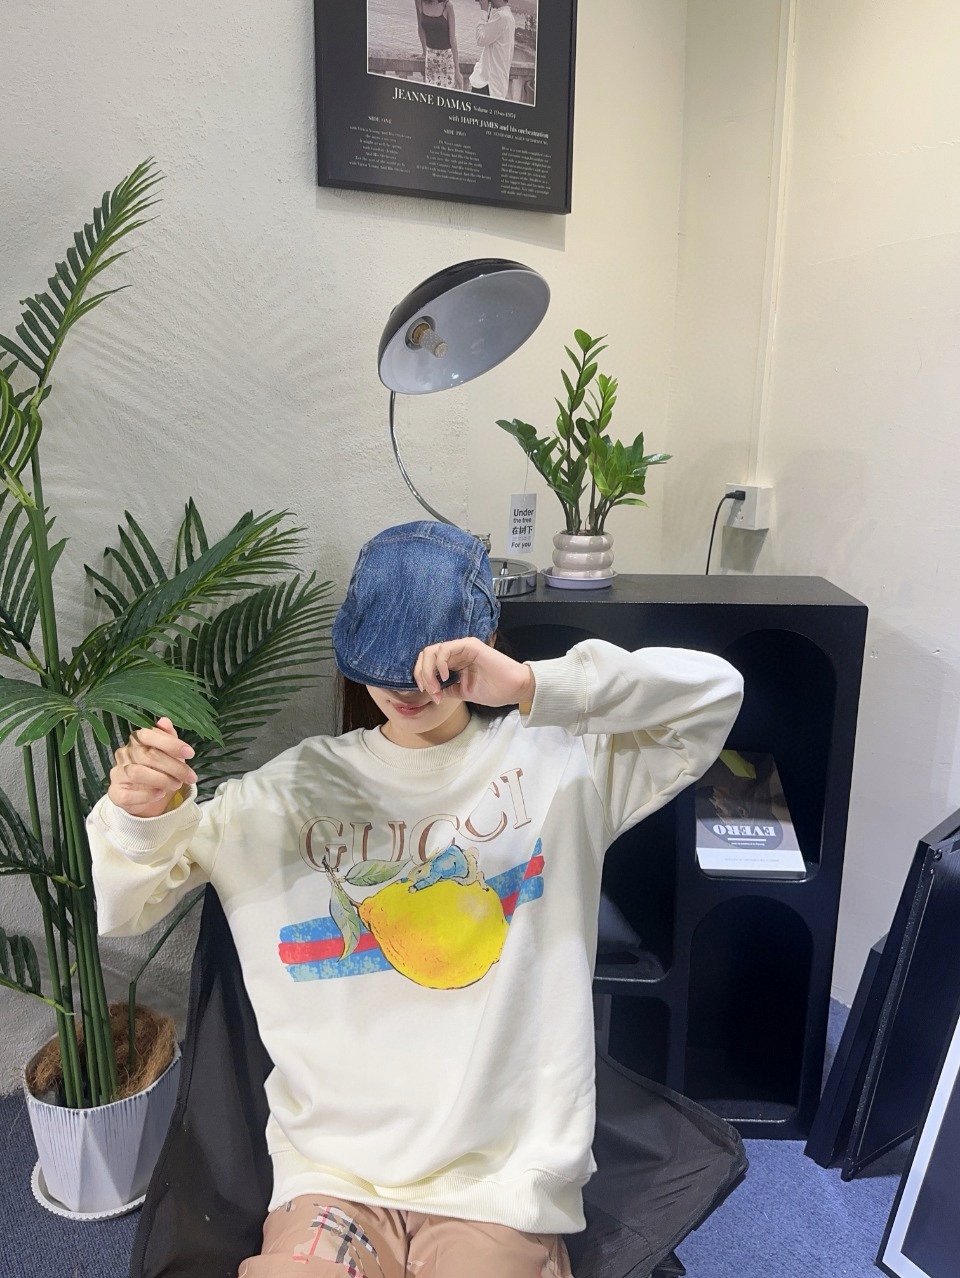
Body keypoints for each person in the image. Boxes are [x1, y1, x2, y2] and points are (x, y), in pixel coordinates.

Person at [88, 520, 743, 1278]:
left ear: (483, 640)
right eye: (384, 663)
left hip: (498, 1185)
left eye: (431, 665)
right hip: (333, 1176)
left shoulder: (561, 767)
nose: (406, 689)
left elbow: (713, 695)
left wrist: (532, 686)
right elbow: (125, 905)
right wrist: (141, 813)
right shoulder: (288, 792)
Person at [469, 0, 515, 99]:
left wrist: (484, 11)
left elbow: (480, 40)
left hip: (488, 84)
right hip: (497, 84)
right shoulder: (509, 17)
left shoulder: (501, 16)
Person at [414, 0, 464, 91]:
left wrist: (457, 71)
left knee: (447, 95)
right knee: (432, 94)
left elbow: (452, 39)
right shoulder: (419, 2)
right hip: (430, 60)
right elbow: (420, 28)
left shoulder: (447, 6)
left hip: (447, 60)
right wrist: (424, 52)